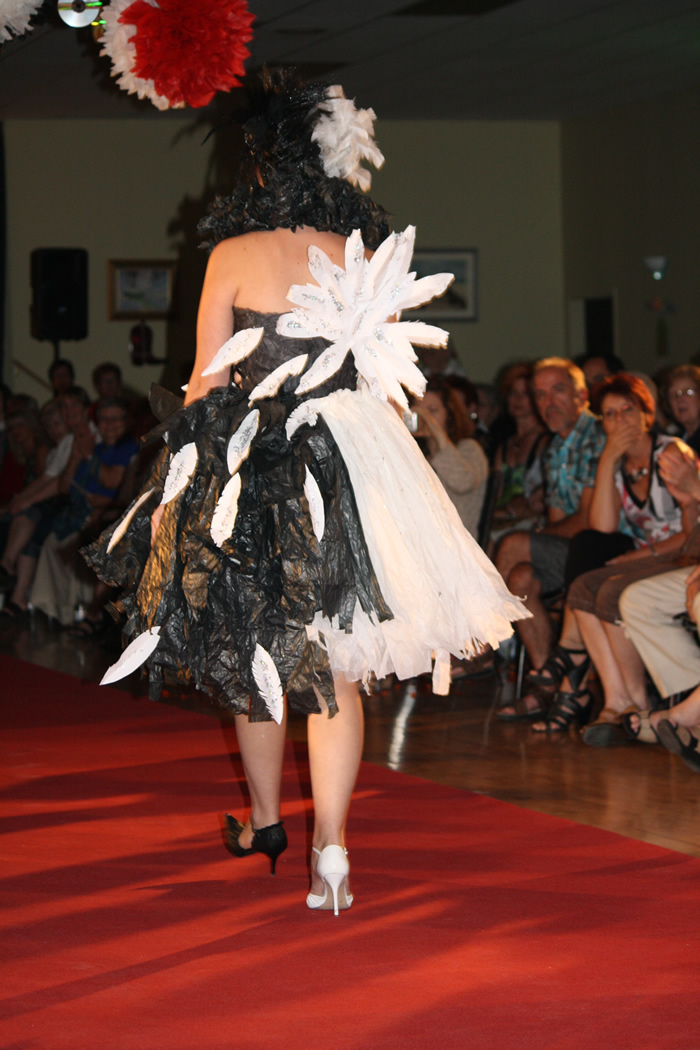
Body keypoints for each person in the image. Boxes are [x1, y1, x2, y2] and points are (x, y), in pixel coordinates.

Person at [83, 70, 526, 916]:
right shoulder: (354, 255)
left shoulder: (234, 256)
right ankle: (333, 848)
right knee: (338, 670)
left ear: (263, 168)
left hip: (261, 465)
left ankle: (262, 821)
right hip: (355, 462)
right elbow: (387, 373)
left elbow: (207, 387)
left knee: (264, 664)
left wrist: (187, 479)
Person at [530, 374, 693, 735]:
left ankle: (632, 697)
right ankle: (618, 699)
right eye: (609, 414)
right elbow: (601, 527)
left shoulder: (670, 452)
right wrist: (607, 460)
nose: (619, 421)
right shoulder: (616, 462)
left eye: (627, 411)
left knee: (604, 589)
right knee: (584, 584)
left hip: (678, 552)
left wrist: (639, 557)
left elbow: (689, 532)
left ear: (647, 415)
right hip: (649, 555)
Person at [495, 357, 605, 721]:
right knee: (520, 577)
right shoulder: (557, 448)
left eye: (558, 390)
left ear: (582, 395)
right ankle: (548, 686)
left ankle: (482, 642)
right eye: (540, 395)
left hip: (604, 549)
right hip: (571, 550)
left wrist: (534, 536)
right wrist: (539, 534)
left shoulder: (597, 436)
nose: (548, 402)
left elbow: (589, 524)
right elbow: (559, 521)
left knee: (512, 545)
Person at [412, 377, 488, 538]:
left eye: (432, 411)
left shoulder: (468, 448)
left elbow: (463, 482)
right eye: (419, 411)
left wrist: (439, 436)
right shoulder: (417, 454)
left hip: (456, 541)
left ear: (450, 414)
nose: (425, 419)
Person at [491, 363, 548, 539]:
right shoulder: (505, 445)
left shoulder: (546, 441)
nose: (518, 399)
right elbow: (495, 494)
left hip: (531, 524)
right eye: (513, 393)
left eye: (525, 394)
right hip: (501, 519)